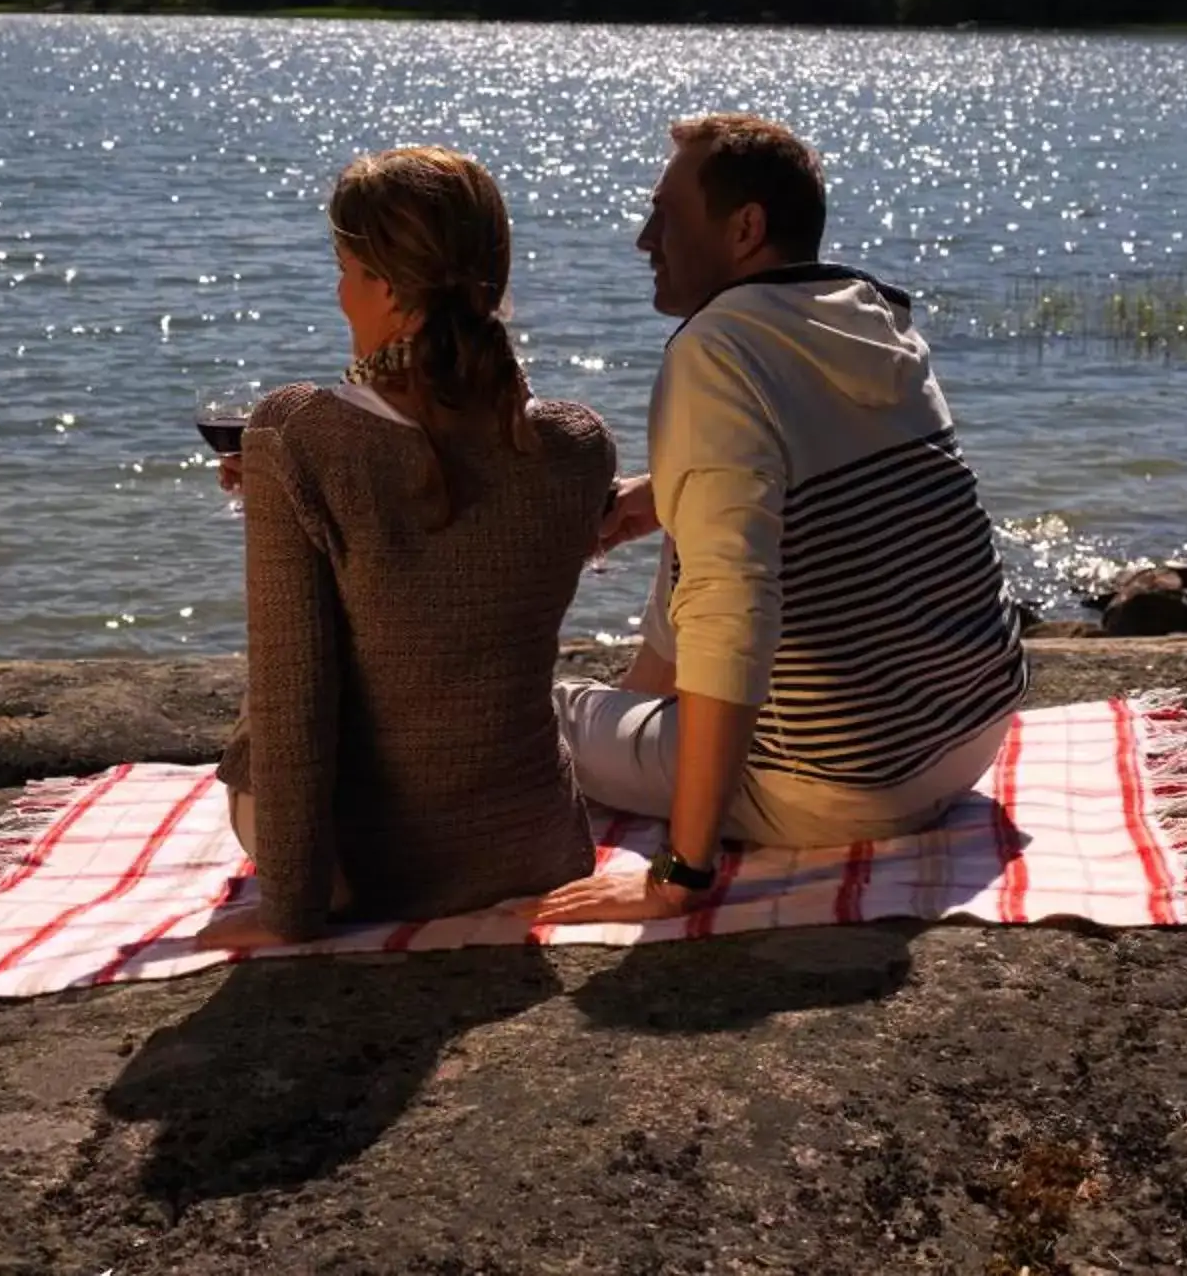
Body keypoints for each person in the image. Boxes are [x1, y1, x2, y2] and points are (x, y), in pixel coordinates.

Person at [532, 113, 1026, 926]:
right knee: (708, 521)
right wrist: (664, 493)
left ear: (746, 227)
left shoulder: (714, 349)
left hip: (844, 783)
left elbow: (733, 615)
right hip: (969, 734)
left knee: (538, 715)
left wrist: (678, 875)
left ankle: (645, 748)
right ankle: (645, 721)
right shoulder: (868, 315)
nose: (643, 239)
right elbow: (831, 459)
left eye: (666, 214)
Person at [210, 145, 617, 944]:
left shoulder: (297, 433)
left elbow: (293, 698)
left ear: (388, 287)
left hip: (364, 871)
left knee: (261, 723)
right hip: (536, 847)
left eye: (346, 268)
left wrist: (288, 913)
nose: (338, 292)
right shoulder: (578, 446)